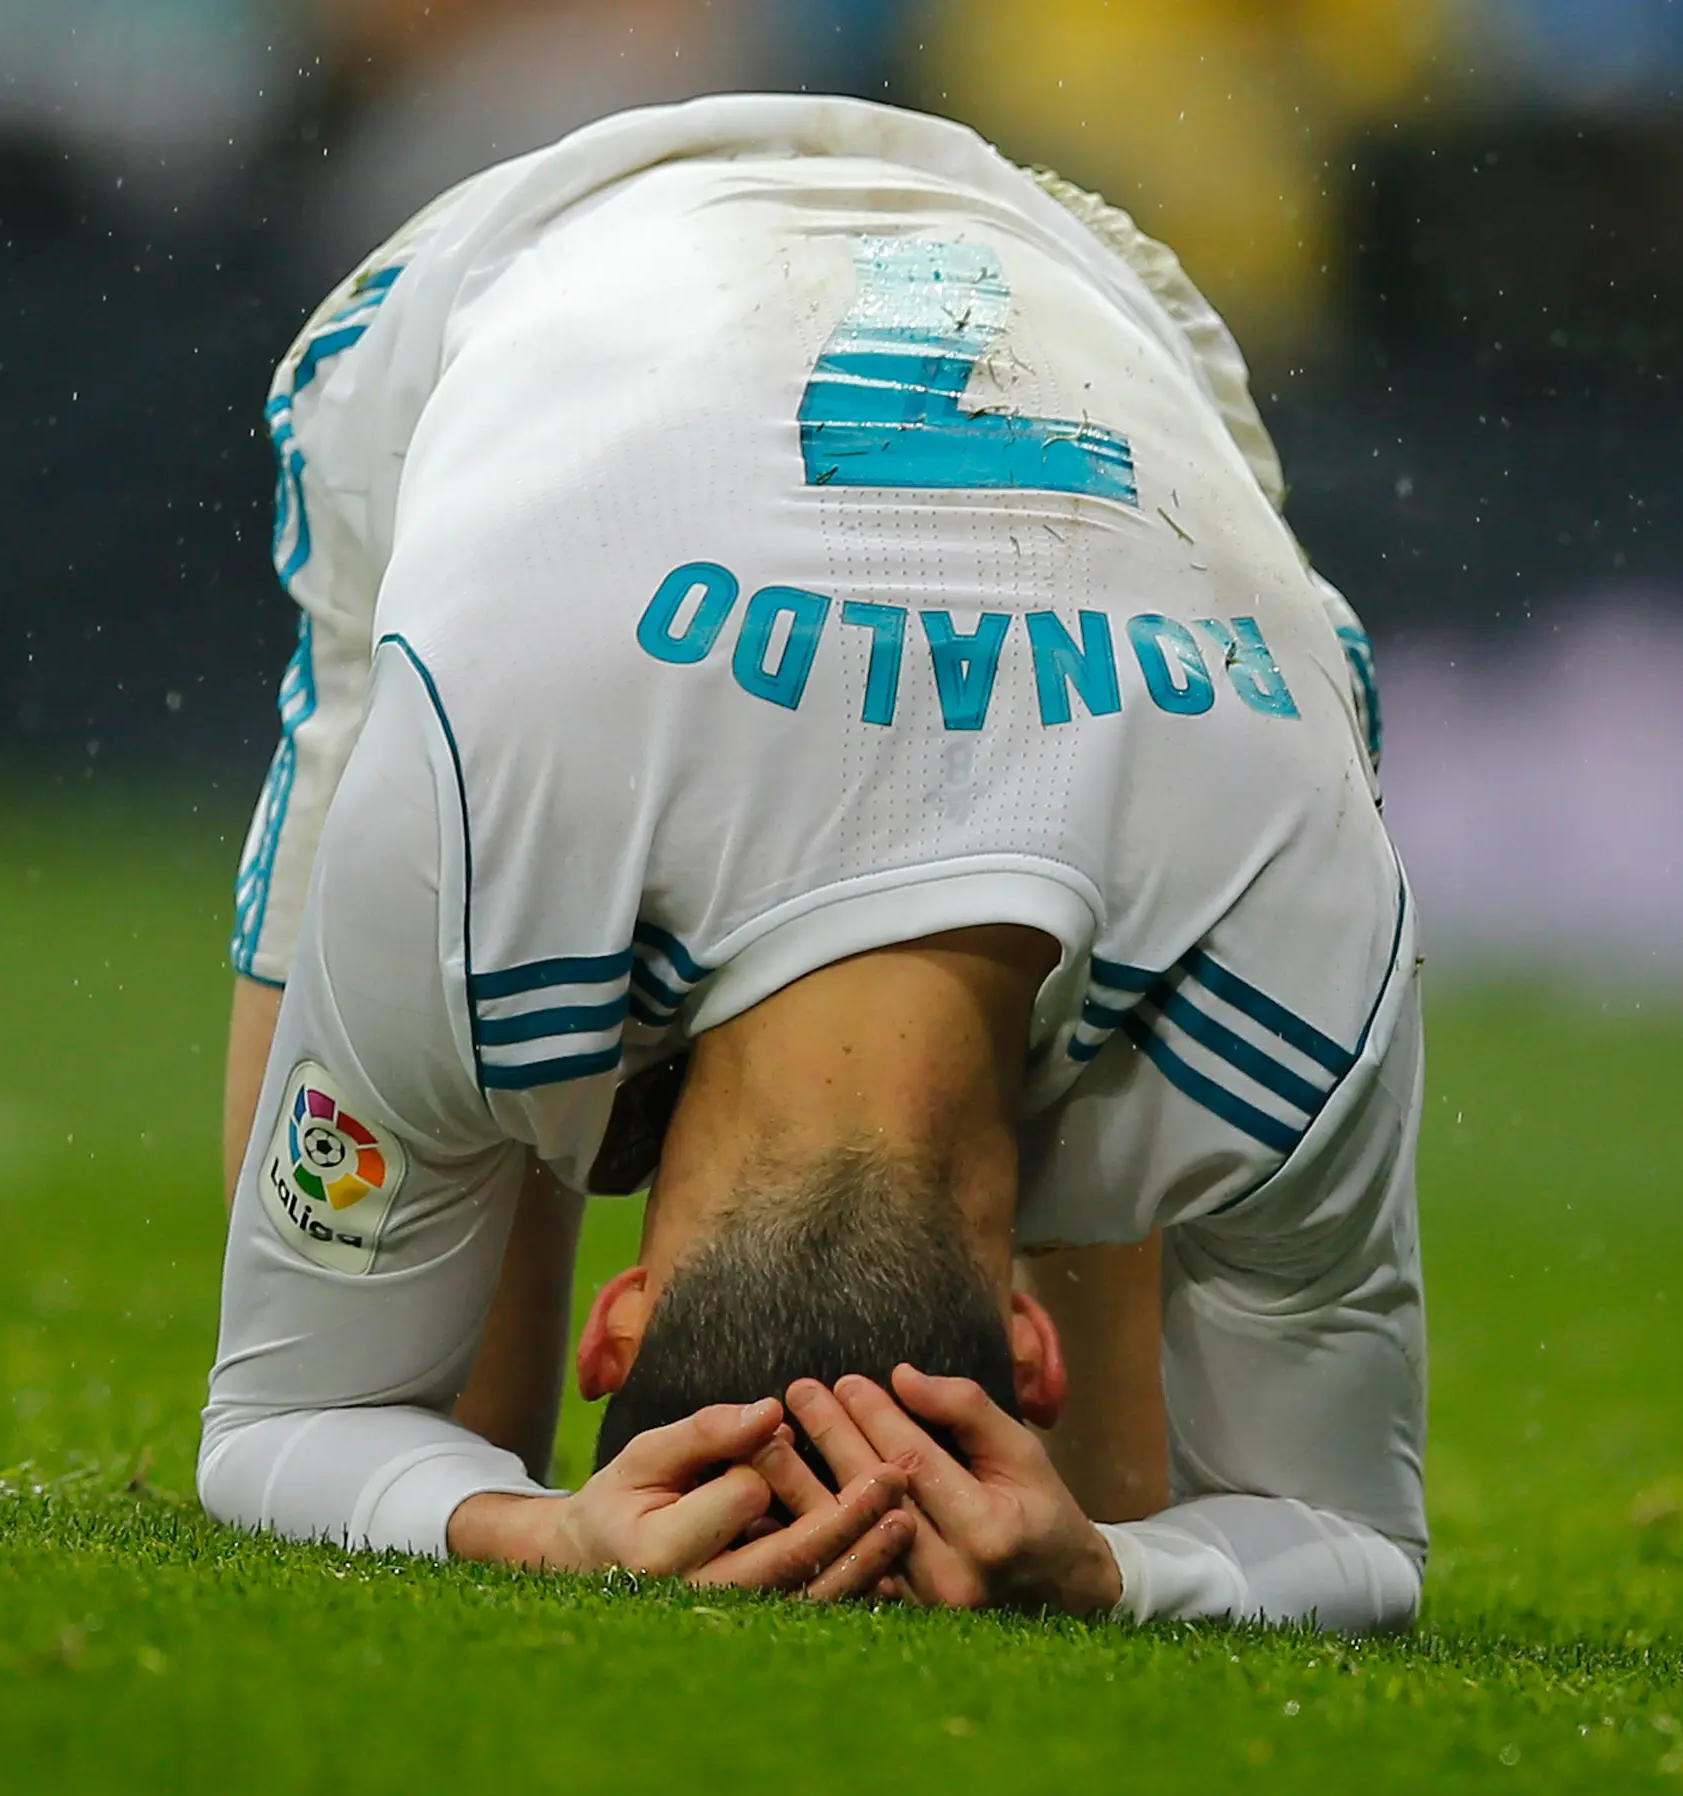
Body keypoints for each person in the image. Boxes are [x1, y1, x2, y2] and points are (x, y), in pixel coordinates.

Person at [200, 93, 1426, 1630]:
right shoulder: (467, 816)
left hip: (1031, 303)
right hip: (533, 275)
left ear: (618, 1323)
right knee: (1093, 1530)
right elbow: (1347, 1535)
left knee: (437, 1439)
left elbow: (281, 1424)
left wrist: (527, 1527)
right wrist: (1117, 1564)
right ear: (1027, 1350)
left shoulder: (1304, 921)